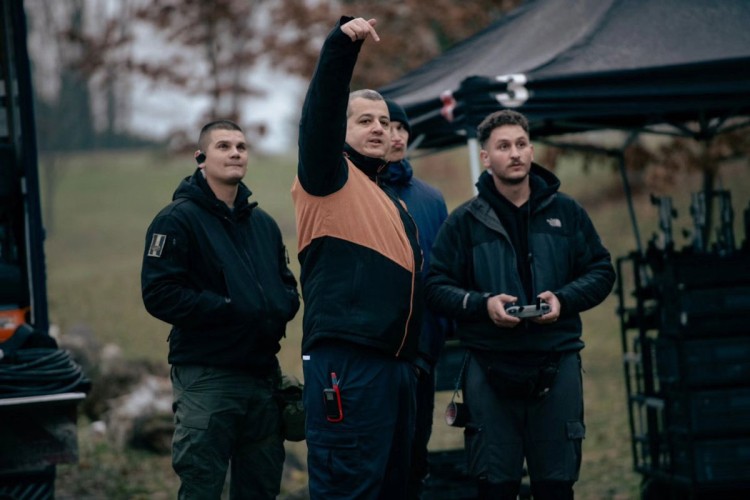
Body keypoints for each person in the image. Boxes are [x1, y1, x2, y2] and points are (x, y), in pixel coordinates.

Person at [425, 109, 615, 500]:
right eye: (503, 146)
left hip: (556, 362)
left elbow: (601, 271)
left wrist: (563, 299)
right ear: (485, 157)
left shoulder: (567, 213)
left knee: (557, 486)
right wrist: (482, 305)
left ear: (531, 150)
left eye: (521, 144)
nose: (515, 153)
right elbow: (435, 286)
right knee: (495, 486)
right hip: (489, 366)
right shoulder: (464, 222)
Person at [290, 17, 423, 500]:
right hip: (348, 364)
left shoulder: (388, 198)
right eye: (365, 120)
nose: (379, 128)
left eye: (384, 122)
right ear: (341, 131)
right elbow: (321, 114)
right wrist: (341, 47)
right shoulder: (327, 175)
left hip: (395, 368)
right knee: (350, 490)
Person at [141, 120, 300, 499]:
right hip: (208, 377)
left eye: (241, 147)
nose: (235, 153)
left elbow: (286, 285)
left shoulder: (263, 224)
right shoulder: (176, 220)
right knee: (202, 486)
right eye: (224, 146)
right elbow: (159, 293)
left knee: (261, 488)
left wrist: (279, 307)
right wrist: (227, 309)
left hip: (262, 377)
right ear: (201, 158)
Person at [381, 99, 451, 498]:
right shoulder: (357, 192)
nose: (396, 136)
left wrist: (435, 338)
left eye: (402, 128)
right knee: (377, 463)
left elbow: (443, 271)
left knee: (414, 458)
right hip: (374, 354)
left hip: (421, 353)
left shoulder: (431, 198)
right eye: (388, 127)